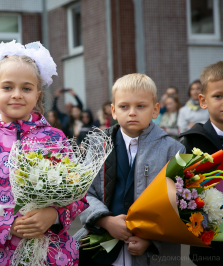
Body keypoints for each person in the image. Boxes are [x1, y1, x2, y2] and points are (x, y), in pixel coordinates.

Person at [0, 41, 88, 265]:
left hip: (52, 253)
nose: (17, 95)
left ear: (38, 94)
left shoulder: (55, 138)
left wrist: (54, 215)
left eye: (27, 88)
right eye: (8, 87)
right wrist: (7, 224)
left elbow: (78, 194)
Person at [74, 73, 185, 266]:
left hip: (151, 254)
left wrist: (150, 239)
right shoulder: (98, 146)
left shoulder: (174, 150)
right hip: (102, 249)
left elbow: (179, 205)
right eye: (124, 106)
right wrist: (105, 221)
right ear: (113, 111)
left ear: (155, 109)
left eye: (140, 106)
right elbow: (82, 192)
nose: (132, 112)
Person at [179, 61, 223, 266]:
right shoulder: (191, 141)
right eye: (218, 96)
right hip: (209, 247)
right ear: (203, 101)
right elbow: (181, 191)